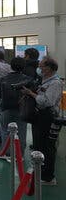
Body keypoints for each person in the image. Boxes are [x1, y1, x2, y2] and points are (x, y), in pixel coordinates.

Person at [21, 57, 62, 185]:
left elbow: (47, 102)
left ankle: (48, 177)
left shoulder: (55, 83)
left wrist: (32, 94)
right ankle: (40, 171)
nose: (39, 68)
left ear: (49, 68)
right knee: (38, 145)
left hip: (48, 117)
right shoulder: (43, 80)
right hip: (38, 116)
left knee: (47, 146)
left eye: (42, 66)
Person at [0, 57, 31, 155]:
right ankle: (19, 153)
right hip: (22, 109)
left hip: (5, 108)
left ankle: (7, 153)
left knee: (5, 131)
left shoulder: (3, 79)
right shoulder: (27, 79)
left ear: (11, 66)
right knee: (21, 131)